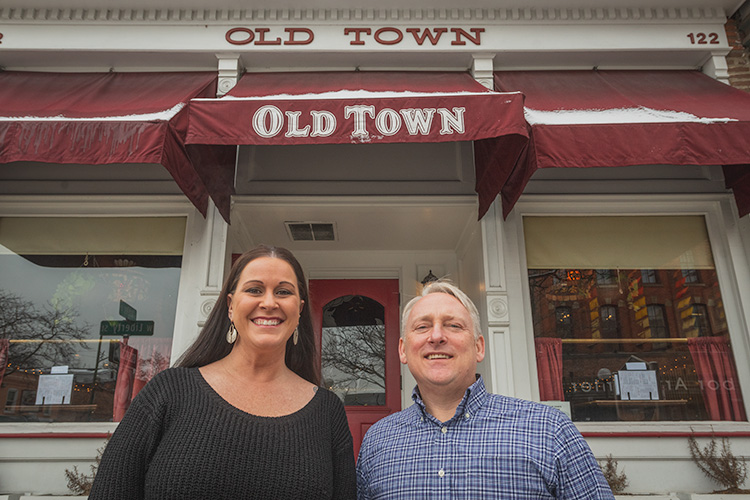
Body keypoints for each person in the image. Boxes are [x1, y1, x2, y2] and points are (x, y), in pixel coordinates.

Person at [90, 245, 356, 500]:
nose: (269, 302)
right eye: (254, 289)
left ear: (298, 310)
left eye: (283, 292)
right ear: (230, 306)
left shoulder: (327, 411)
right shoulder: (169, 392)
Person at [356, 280, 614, 499]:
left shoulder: (549, 430)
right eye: (422, 326)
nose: (436, 336)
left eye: (454, 326)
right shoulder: (377, 441)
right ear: (403, 349)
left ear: (479, 347)